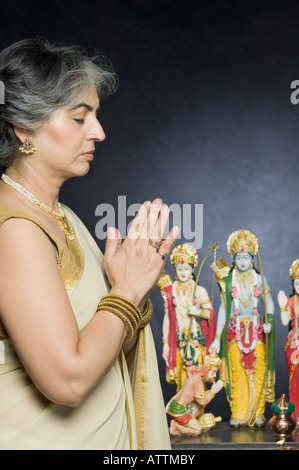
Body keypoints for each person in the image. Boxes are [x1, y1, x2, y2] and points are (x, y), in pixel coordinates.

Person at [0, 38, 179, 450]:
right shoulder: (15, 228)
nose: (99, 131)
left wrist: (134, 283)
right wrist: (127, 290)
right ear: (25, 127)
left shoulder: (62, 215)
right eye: (81, 118)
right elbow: (68, 380)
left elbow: (110, 349)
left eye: (95, 116)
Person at [210, 229, 275, 428]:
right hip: (234, 331)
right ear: (234, 258)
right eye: (239, 257)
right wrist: (217, 336)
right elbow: (222, 310)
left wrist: (269, 321)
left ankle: (257, 413)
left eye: (246, 257)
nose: (243, 261)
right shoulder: (228, 281)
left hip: (256, 331)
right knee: (237, 373)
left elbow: (269, 303)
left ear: (252, 257)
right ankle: (238, 413)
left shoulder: (259, 279)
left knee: (258, 371)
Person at [158, 244, 216, 391]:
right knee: (182, 378)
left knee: (197, 376)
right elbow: (168, 318)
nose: (183, 272)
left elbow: (210, 313)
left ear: (192, 269)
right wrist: (165, 342)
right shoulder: (170, 290)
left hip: (195, 338)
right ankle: (183, 410)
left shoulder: (199, 289)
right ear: (175, 269)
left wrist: (198, 312)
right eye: (179, 268)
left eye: (186, 268)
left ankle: (196, 411)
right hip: (178, 339)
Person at [165, 348, 223, 436]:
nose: (214, 375)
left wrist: (210, 392)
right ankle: (176, 425)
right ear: (207, 370)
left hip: (176, 405)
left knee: (198, 405)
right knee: (198, 430)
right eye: (213, 372)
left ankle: (182, 423)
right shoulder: (197, 382)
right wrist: (212, 392)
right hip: (178, 410)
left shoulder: (195, 376)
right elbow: (202, 401)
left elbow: (199, 399)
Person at [278, 258, 299, 426]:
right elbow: (285, 321)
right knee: (295, 377)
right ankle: (296, 415)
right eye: (297, 284)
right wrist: (281, 305)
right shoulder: (292, 302)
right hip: (294, 343)